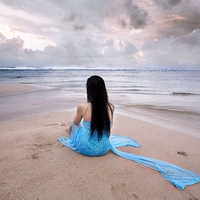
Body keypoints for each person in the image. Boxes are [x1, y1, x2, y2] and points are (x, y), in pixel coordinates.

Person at [58, 75, 200, 190]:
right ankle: (76, 131)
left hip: (88, 149)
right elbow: (107, 131)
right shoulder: (110, 107)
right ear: (103, 90)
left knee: (76, 126)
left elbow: (76, 123)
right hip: (104, 148)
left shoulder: (83, 107)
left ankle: (69, 130)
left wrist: (72, 127)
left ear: (89, 90)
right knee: (89, 128)